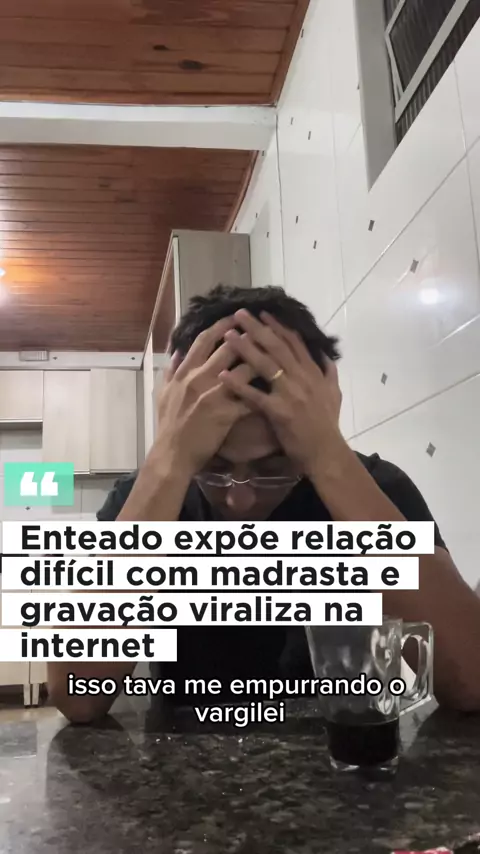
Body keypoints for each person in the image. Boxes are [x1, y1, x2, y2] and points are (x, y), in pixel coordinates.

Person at [48, 285, 480, 722]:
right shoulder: (147, 497)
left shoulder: (372, 488)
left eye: (274, 467)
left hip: (347, 748)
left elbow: (472, 681)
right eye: (213, 467)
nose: (239, 499)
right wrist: (170, 461)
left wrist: (328, 457)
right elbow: (77, 696)